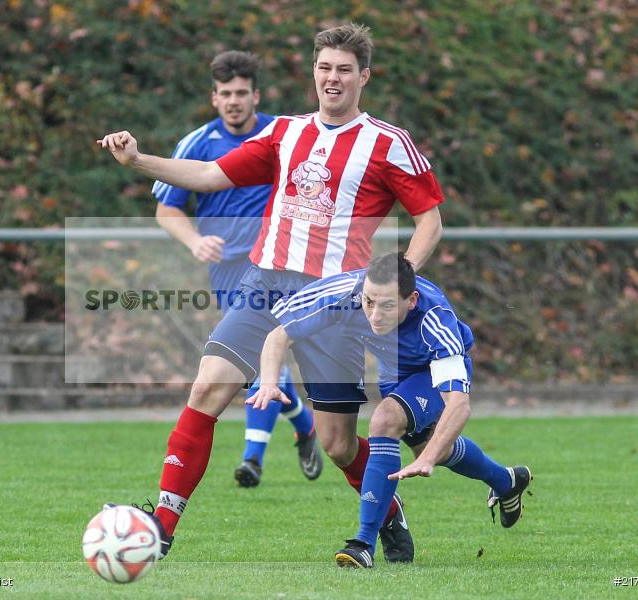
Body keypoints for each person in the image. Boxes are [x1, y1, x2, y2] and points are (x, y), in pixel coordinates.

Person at [98, 23, 445, 562]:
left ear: (364, 77)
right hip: (263, 286)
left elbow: (430, 222)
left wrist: (398, 282)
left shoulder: (388, 144)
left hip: (334, 302)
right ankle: (162, 526)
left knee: (336, 443)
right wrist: (138, 161)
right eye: (325, 67)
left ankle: (389, 511)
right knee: (208, 387)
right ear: (314, 72)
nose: (333, 78)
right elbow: (211, 174)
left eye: (345, 70)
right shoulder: (285, 132)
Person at [251, 252, 532, 568]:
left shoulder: (435, 320)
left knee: (386, 421)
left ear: (411, 300)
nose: (374, 313)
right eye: (369, 302)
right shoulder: (345, 291)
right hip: (393, 372)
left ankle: (364, 542)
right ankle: (506, 481)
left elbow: (458, 404)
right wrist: (269, 383)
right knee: (432, 446)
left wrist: (425, 461)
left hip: (431, 372)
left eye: (386, 305)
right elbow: (279, 335)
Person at [153, 50, 322, 488]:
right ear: (214, 98)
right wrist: (195, 241)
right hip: (226, 273)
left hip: (279, 267)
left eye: (241, 93)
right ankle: (304, 426)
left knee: (265, 355)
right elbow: (166, 210)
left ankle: (252, 458)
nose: (234, 101)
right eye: (225, 93)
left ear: (255, 95)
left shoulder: (283, 135)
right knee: (257, 365)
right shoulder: (197, 143)